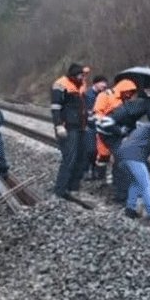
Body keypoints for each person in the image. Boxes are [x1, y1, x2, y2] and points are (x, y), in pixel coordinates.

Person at [95, 80, 142, 204]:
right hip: (107, 133)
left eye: (132, 93)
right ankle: (120, 193)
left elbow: (130, 121)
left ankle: (126, 190)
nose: (130, 95)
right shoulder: (106, 96)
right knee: (118, 160)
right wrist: (119, 130)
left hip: (118, 133)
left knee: (123, 160)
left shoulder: (126, 102)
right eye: (129, 92)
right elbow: (99, 118)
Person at [50, 61, 90, 199]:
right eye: (80, 75)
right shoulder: (60, 85)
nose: (83, 78)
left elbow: (83, 105)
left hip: (81, 126)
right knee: (70, 158)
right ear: (74, 75)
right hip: (68, 127)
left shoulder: (80, 85)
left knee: (82, 157)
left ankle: (73, 187)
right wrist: (58, 125)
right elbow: (55, 107)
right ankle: (60, 190)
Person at [115, 121, 150, 224]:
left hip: (122, 156)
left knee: (135, 183)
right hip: (133, 156)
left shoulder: (142, 129)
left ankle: (130, 209)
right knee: (146, 183)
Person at [83, 75, 110, 181]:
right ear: (95, 83)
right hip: (90, 126)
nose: (104, 85)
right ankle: (86, 170)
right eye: (102, 82)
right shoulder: (87, 95)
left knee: (99, 151)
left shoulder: (105, 94)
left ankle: (96, 172)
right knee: (90, 149)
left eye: (105, 83)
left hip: (101, 126)